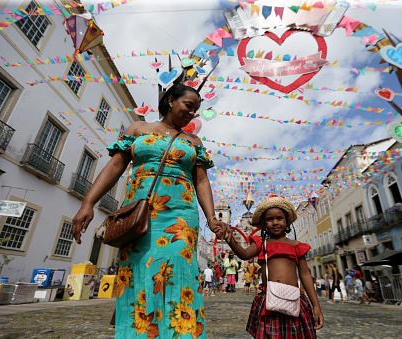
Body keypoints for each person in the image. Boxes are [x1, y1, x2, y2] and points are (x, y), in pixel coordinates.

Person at [71, 83, 232, 338]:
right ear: (170, 100)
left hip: (181, 216)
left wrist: (212, 219)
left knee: (179, 272)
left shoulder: (193, 141)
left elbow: (201, 181)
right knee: (140, 270)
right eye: (188, 106)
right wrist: (87, 203)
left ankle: (179, 332)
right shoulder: (138, 129)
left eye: (196, 110)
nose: (192, 114)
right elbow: (114, 167)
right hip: (140, 214)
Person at [226, 196, 324, 338]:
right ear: (264, 224)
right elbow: (244, 254)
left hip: (294, 299)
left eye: (279, 218)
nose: (275, 222)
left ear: (287, 221)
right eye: (269, 219)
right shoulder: (261, 243)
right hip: (268, 301)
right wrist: (229, 239)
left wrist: (316, 306)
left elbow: (305, 274)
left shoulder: (297, 246)